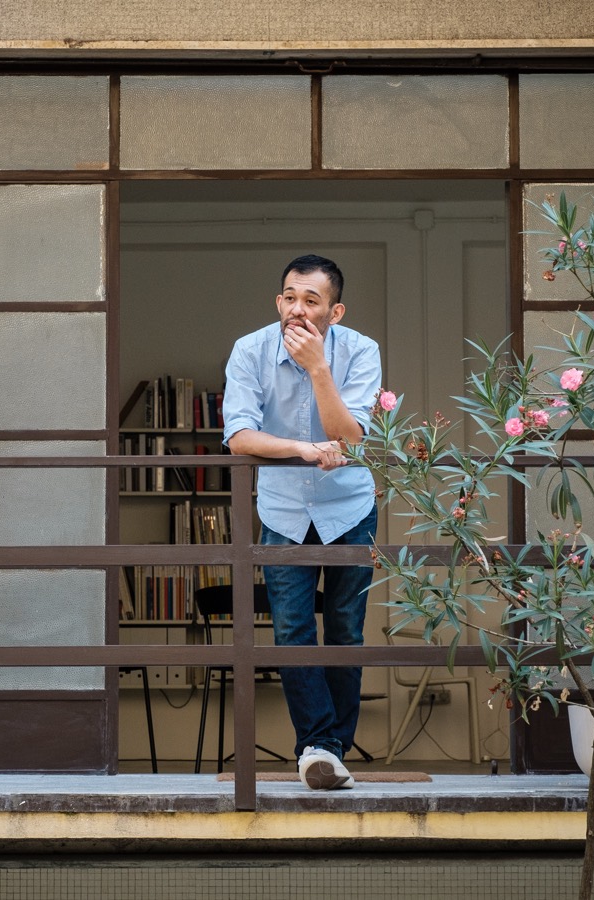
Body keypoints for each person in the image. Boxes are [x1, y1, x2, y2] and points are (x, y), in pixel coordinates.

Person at [221, 254, 382, 790]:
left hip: (349, 509)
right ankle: (319, 746)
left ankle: (329, 749)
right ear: (277, 302)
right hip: (283, 510)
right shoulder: (250, 350)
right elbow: (239, 435)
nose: (297, 310)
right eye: (289, 297)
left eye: (311, 301)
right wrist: (300, 448)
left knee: (343, 629)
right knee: (291, 630)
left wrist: (318, 367)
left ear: (335, 311)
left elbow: (352, 434)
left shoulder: (360, 351)